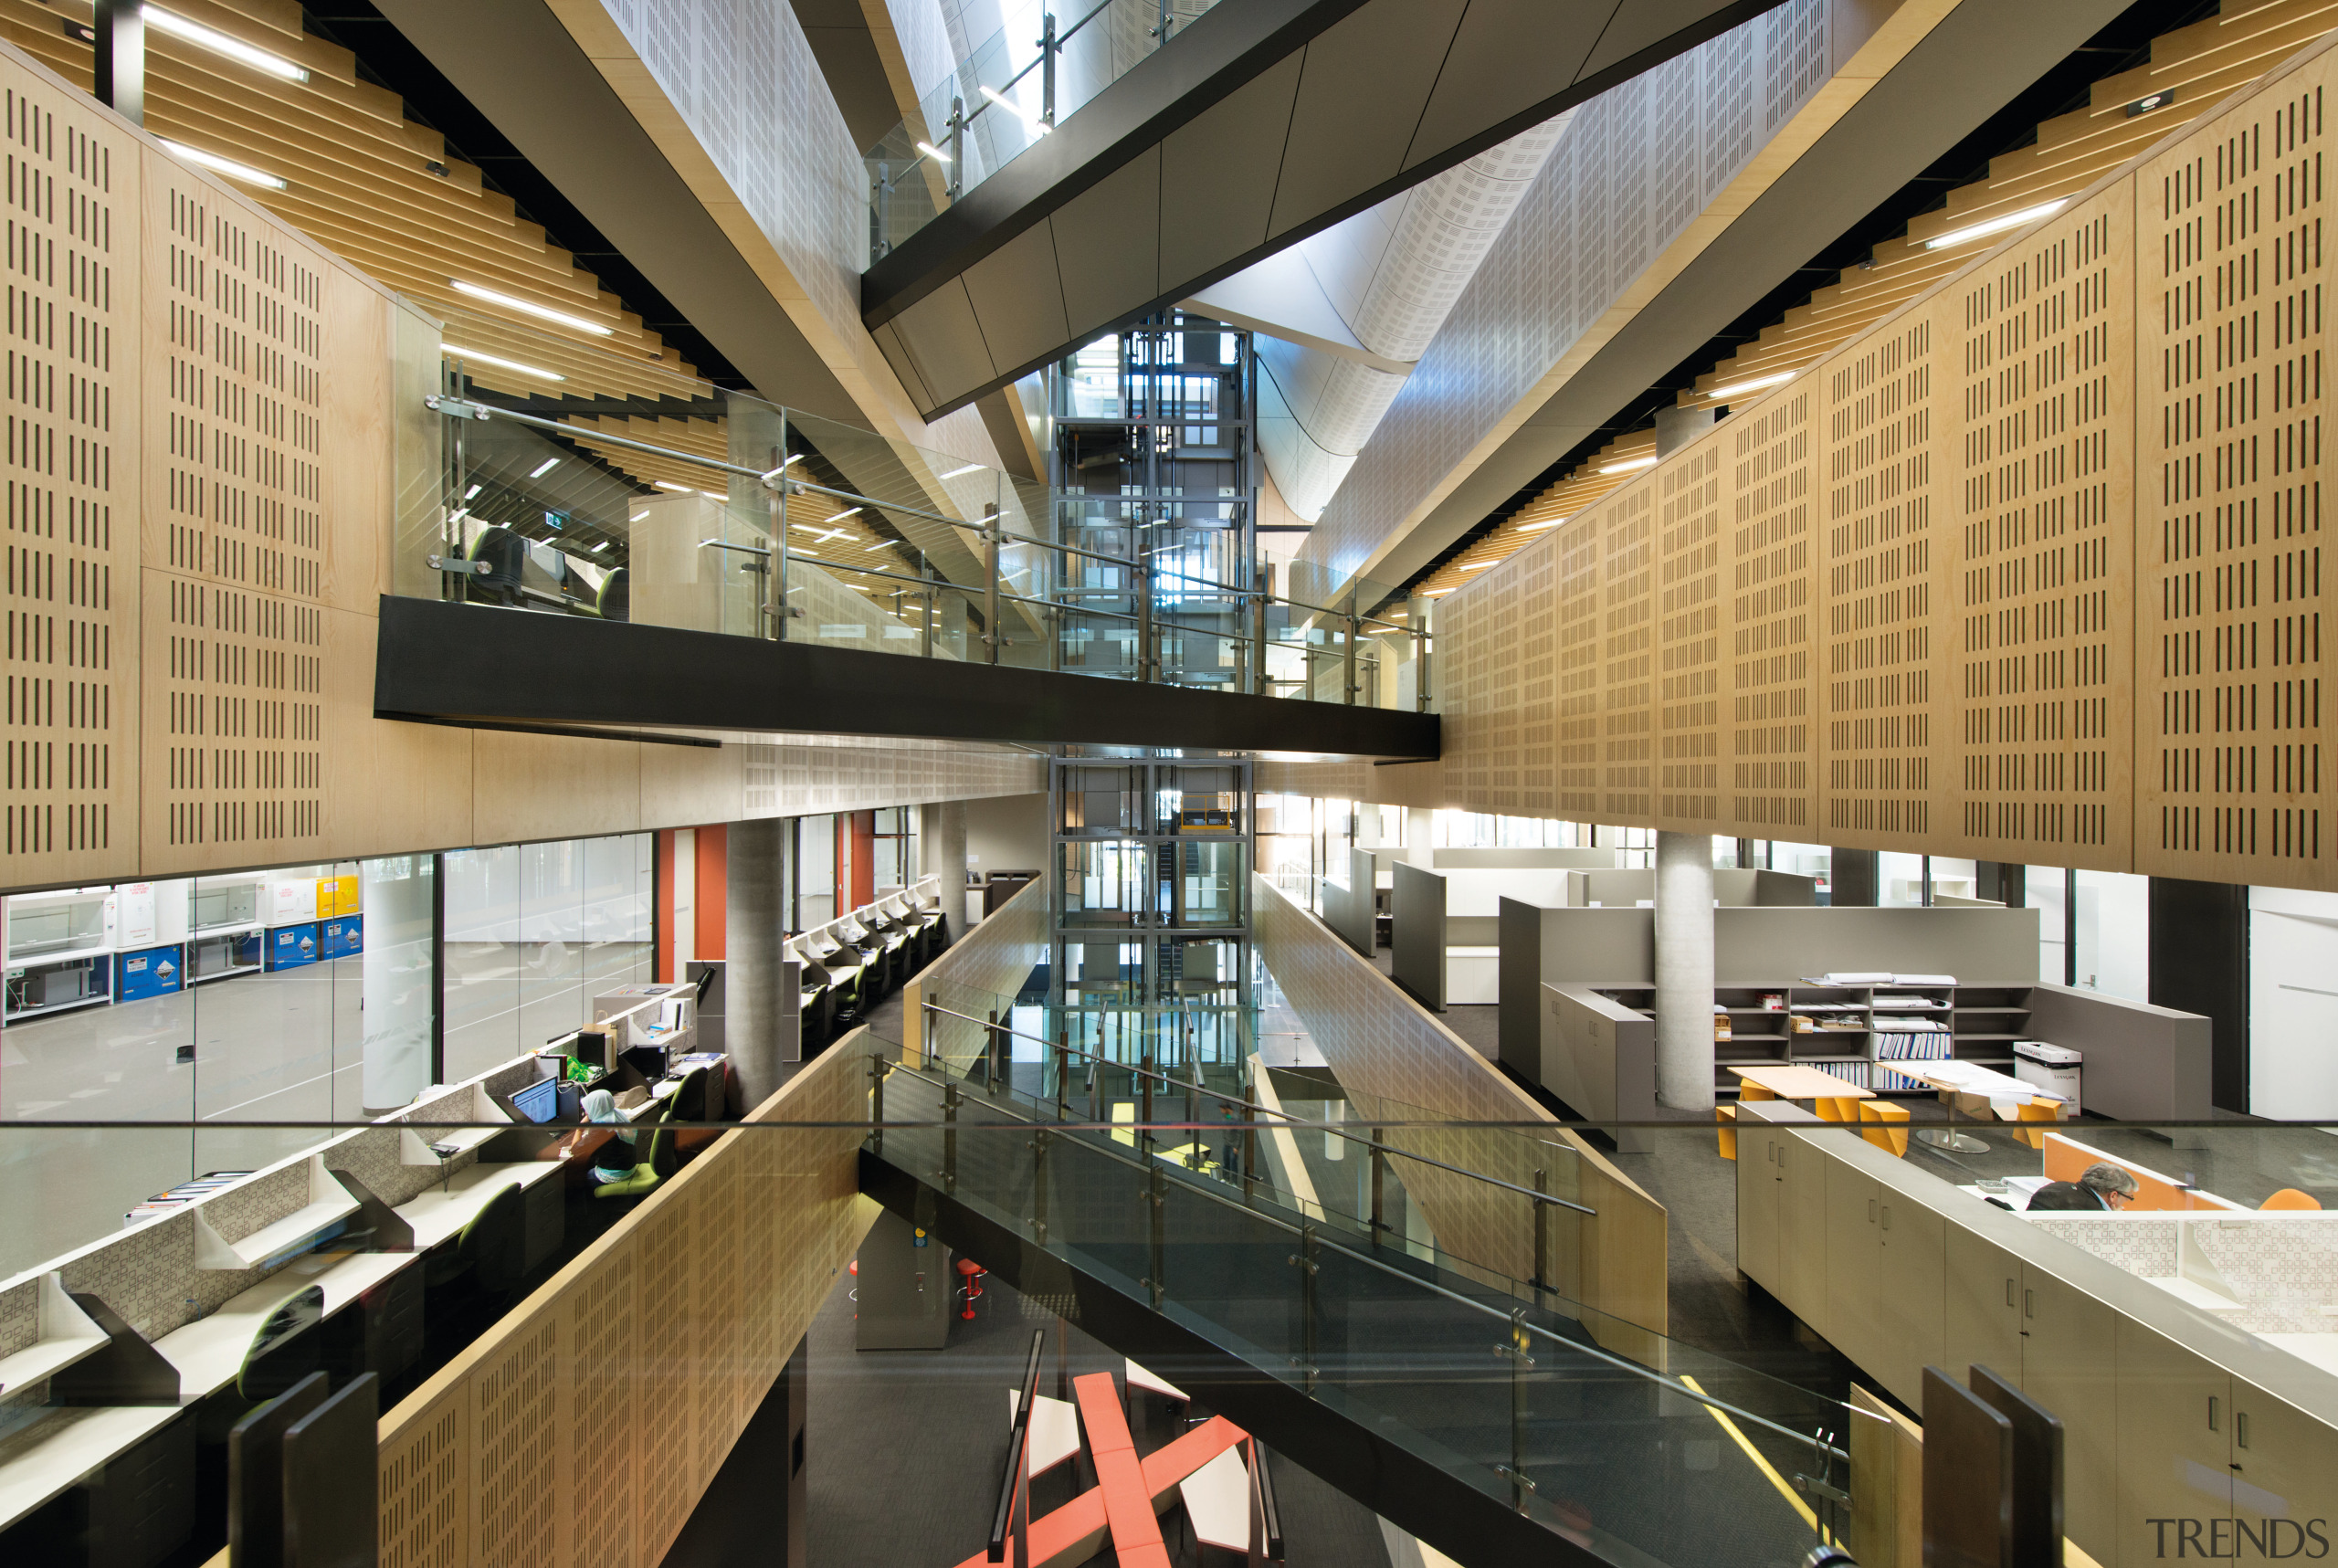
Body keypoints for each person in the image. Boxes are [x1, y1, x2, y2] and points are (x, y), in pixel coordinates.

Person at [561, 1088, 638, 1185]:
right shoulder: (617, 1114)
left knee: (575, 1179)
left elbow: (575, 1150)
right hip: (628, 1167)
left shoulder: (601, 1128)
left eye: (587, 1108)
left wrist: (580, 1128)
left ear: (595, 1107)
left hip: (615, 1174)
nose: (586, 1112)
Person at [2025, 1162, 2140, 1211]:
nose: (2125, 1205)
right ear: (2113, 1196)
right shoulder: (2095, 1217)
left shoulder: (2057, 1186)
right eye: (2129, 1198)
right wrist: (2116, 1221)